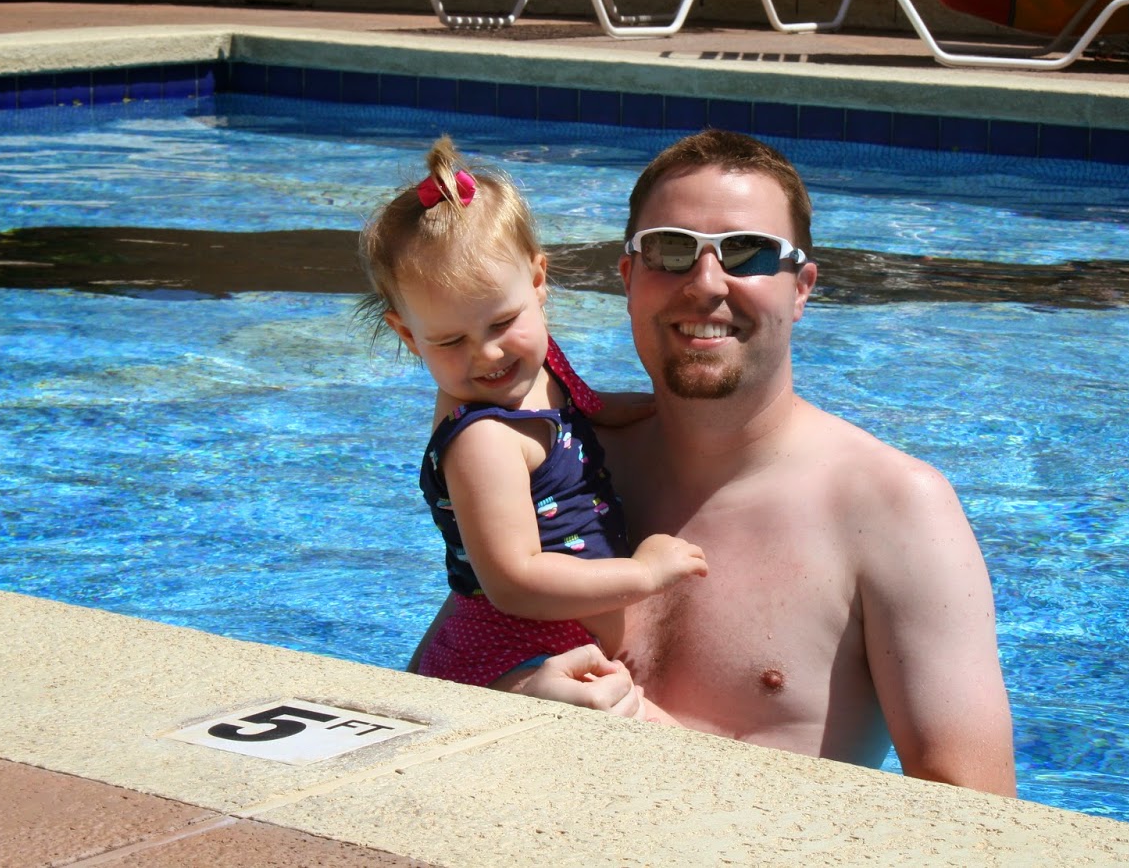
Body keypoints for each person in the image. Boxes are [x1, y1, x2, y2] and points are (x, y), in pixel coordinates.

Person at [417, 129, 1017, 796]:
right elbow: (427, 691)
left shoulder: (893, 510)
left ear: (801, 288)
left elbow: (980, 820)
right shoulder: (565, 465)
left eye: (748, 252)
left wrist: (655, 743)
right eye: (669, 250)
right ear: (629, 279)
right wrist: (512, 703)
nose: (705, 284)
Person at [360, 136, 708, 691]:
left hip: (555, 644)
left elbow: (587, 406)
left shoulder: (541, 363)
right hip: (509, 658)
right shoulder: (484, 440)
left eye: (502, 323)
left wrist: (656, 409)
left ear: (538, 282)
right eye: (450, 341)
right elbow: (514, 583)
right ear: (408, 335)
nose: (487, 354)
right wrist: (643, 574)